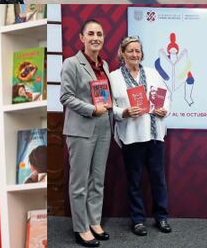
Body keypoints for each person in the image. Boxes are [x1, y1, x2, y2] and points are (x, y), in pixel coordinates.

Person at [108, 37, 172, 236]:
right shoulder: (113, 77)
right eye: (130, 51)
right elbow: (109, 106)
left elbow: (166, 95)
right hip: (132, 137)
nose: (135, 54)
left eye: (138, 51)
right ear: (122, 53)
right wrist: (124, 112)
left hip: (154, 135)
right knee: (134, 181)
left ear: (142, 54)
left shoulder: (153, 74)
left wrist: (164, 109)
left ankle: (161, 217)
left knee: (158, 179)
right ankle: (137, 220)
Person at [61, 19, 113, 247]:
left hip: (104, 128)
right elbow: (65, 97)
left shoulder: (106, 65)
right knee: (80, 183)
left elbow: (107, 99)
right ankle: (81, 227)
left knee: (98, 180)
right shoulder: (71, 64)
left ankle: (95, 221)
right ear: (81, 38)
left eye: (99, 34)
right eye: (91, 33)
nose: (96, 38)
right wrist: (92, 109)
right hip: (81, 130)